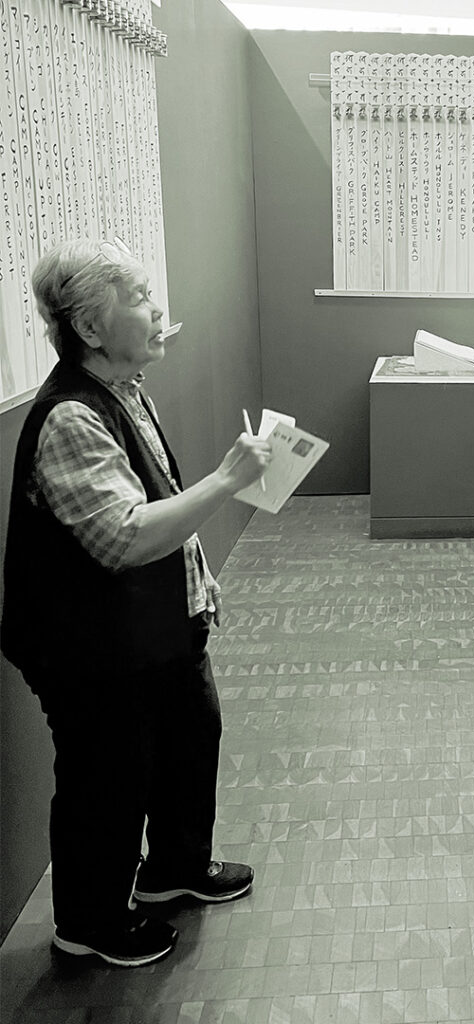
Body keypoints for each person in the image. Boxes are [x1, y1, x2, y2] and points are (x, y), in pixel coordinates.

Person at [1, 239, 274, 968]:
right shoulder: (71, 416)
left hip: (155, 630)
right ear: (90, 328)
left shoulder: (125, 390)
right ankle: (89, 924)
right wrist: (227, 481)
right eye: (141, 299)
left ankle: (174, 870)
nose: (159, 312)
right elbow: (122, 536)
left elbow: (156, 499)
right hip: (92, 649)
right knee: (107, 779)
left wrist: (199, 585)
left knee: (190, 739)